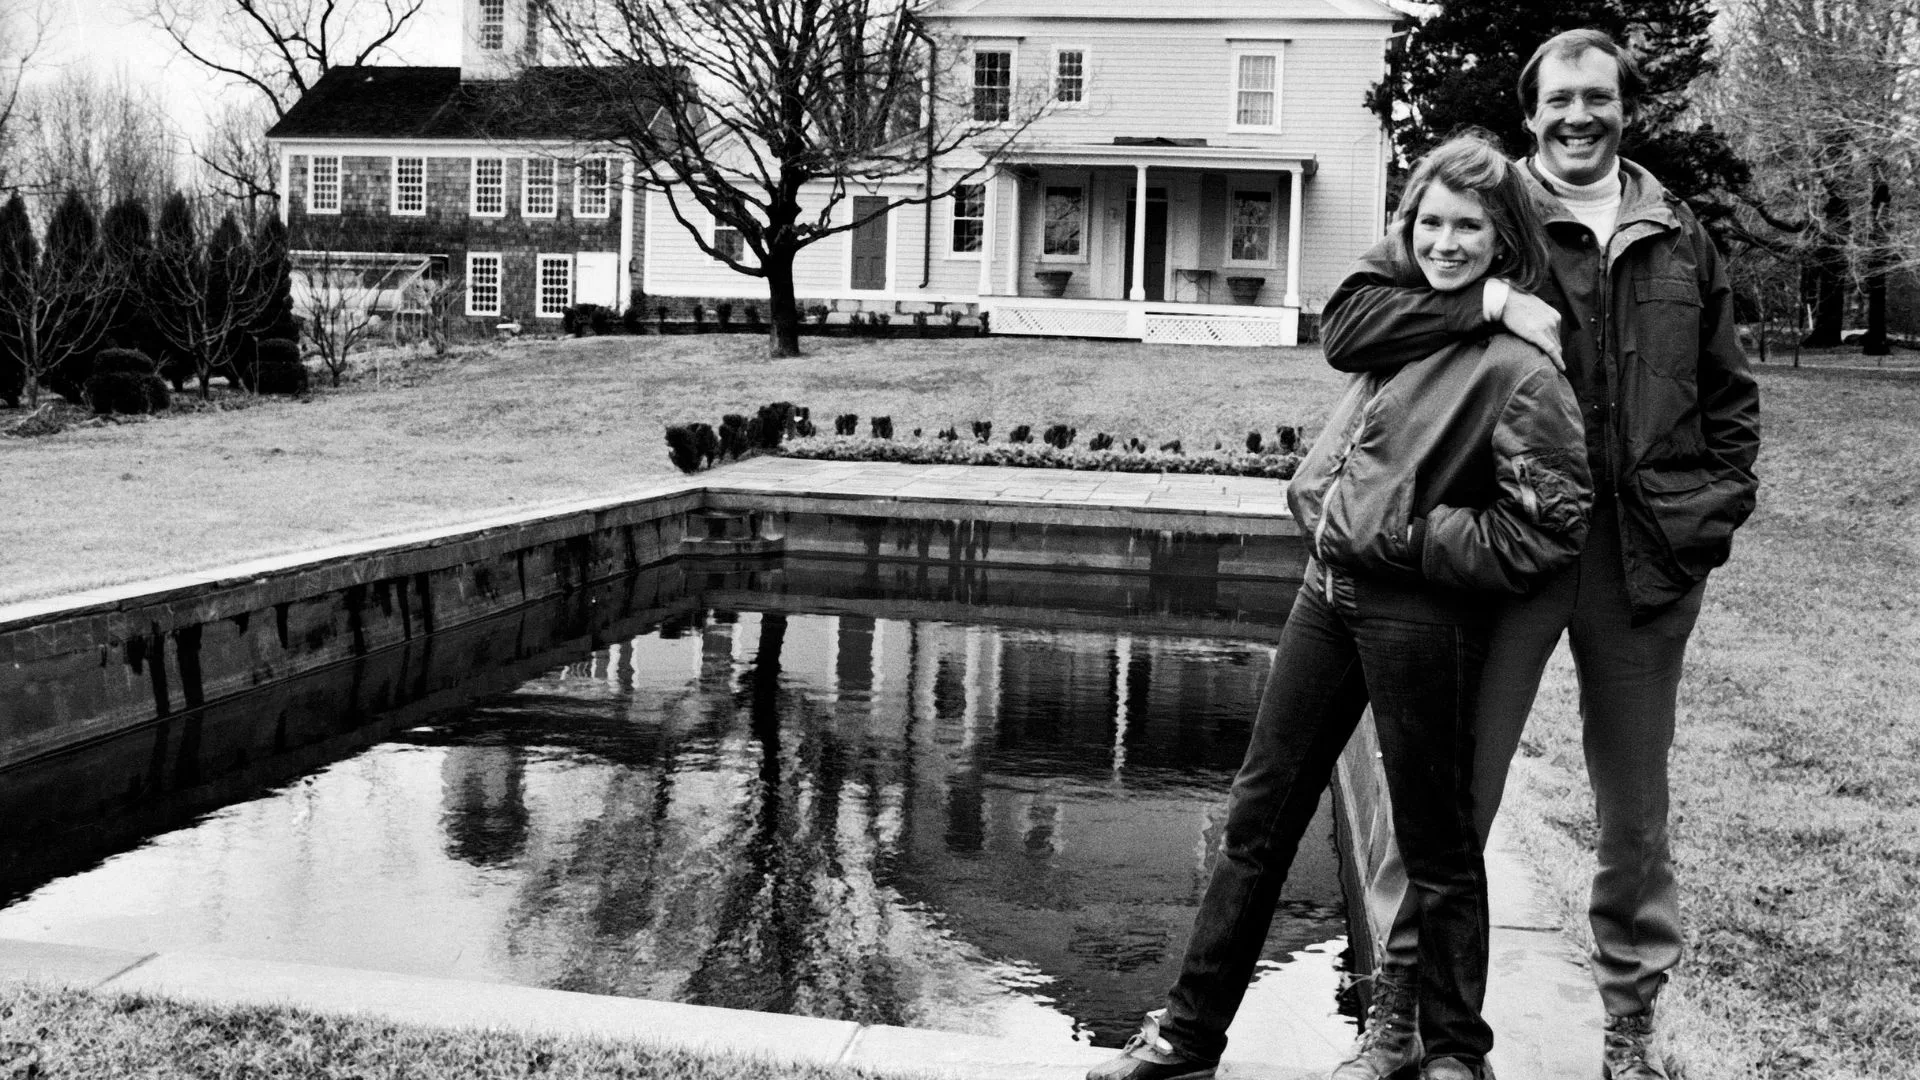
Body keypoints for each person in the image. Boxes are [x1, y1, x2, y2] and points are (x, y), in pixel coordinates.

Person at [1089, 131, 1592, 1080]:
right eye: (1430, 222)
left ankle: (1453, 1056)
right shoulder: (1405, 317)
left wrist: (1408, 540)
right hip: (1326, 596)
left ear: (1503, 238)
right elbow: (1346, 330)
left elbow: (1546, 529)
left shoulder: (1522, 367)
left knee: (1437, 844)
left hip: (1420, 615)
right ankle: (1188, 1037)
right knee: (1257, 822)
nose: (1444, 242)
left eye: (1468, 227)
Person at [1320, 30, 1762, 1080]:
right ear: (1531, 111)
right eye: (1558, 99)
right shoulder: (1490, 208)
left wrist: (1713, 511)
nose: (1577, 116)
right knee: (1452, 796)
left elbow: (1731, 398)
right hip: (1508, 551)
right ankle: (1401, 1010)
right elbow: (1353, 321)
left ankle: (1631, 1030)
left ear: (1624, 108)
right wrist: (1485, 299)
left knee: (1634, 813)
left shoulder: (1677, 231)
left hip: (1642, 563)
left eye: (1596, 99)